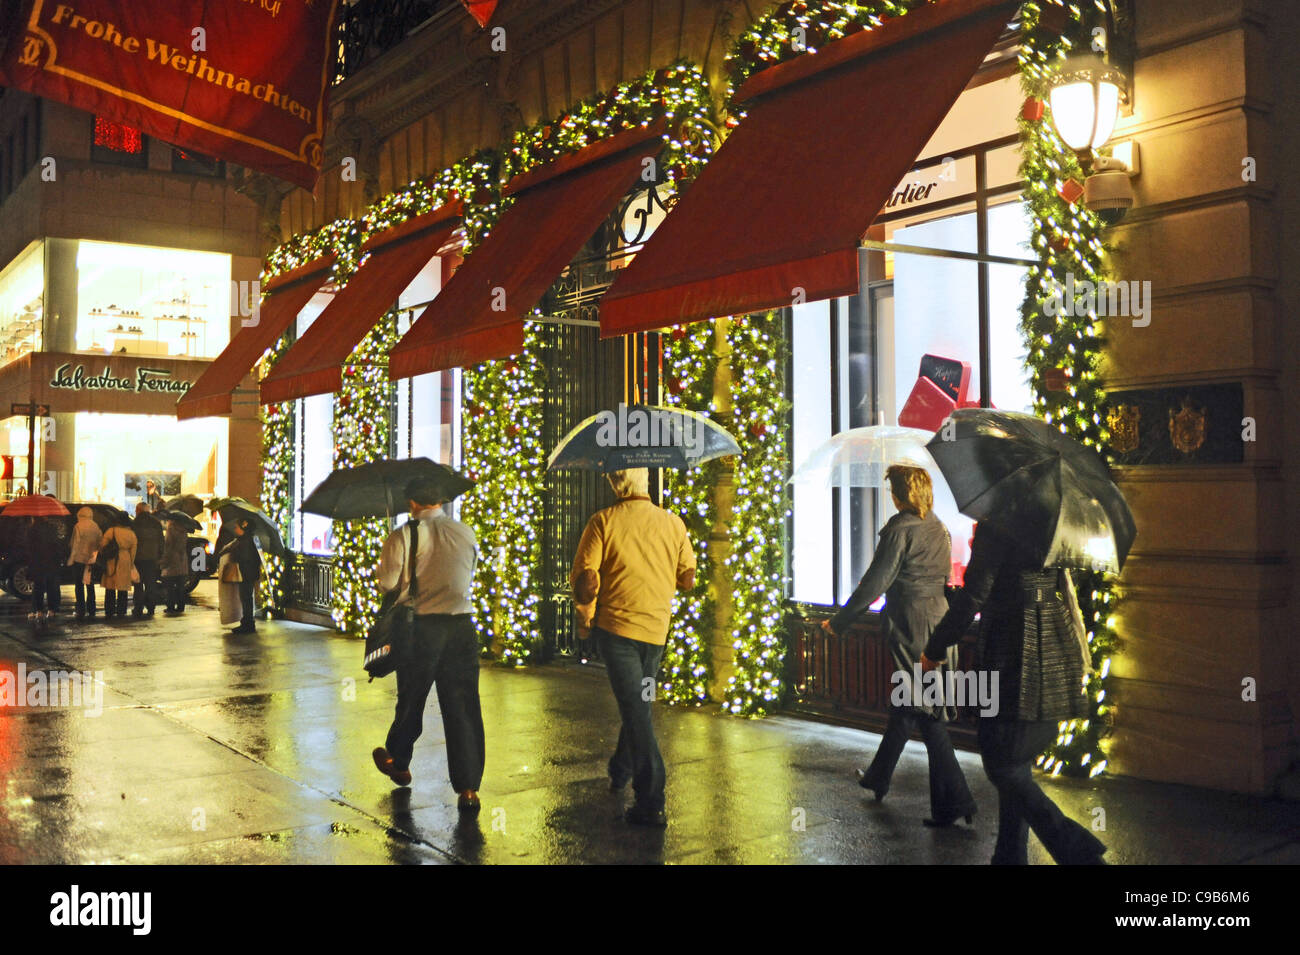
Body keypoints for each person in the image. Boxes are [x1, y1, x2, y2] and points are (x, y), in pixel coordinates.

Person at [922, 522, 1106, 865]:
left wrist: (935, 647)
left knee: (1003, 764)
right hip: (1052, 637)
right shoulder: (1052, 518)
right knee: (1016, 762)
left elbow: (974, 593)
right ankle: (1008, 857)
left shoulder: (1001, 520)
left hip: (1012, 648)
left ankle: (1078, 852)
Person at [822, 464, 976, 827]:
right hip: (940, 622)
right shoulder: (937, 526)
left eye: (892, 490)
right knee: (911, 704)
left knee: (925, 710)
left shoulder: (899, 530)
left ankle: (957, 800)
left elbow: (876, 582)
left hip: (912, 624)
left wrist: (841, 622)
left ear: (901, 495)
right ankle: (879, 779)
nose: (890, 496)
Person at [570, 468, 695, 827]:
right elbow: (687, 578)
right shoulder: (674, 523)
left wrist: (584, 621)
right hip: (656, 633)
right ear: (647, 484)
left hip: (618, 631)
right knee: (640, 703)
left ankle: (651, 798)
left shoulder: (603, 522)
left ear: (615, 484)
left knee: (637, 711)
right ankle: (620, 768)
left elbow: (586, 583)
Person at [371, 479, 484, 813]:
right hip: (462, 627)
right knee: (463, 707)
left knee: (412, 698)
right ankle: (468, 788)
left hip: (421, 627)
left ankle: (398, 760)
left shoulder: (403, 534)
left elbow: (387, 583)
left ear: (411, 502)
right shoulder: (465, 532)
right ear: (441, 499)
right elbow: (469, 573)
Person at [25, 517, 64, 623]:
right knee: (51, 586)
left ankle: (39, 611)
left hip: (37, 562)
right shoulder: (52, 528)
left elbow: (29, 548)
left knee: (38, 587)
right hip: (51, 562)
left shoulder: (31, 530)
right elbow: (57, 546)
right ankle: (51, 610)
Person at [226, 518, 262, 634]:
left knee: (246, 598)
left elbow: (244, 558)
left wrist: (234, 552)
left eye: (237, 527)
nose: (235, 529)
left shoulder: (245, 542)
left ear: (243, 528)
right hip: (249, 573)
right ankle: (247, 622)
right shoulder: (248, 539)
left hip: (247, 573)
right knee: (246, 598)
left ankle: (248, 624)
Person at [99, 516, 138, 619]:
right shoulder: (131, 534)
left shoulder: (111, 531)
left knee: (110, 585)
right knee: (123, 586)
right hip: (125, 558)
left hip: (112, 558)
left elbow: (102, 545)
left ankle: (109, 610)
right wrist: (131, 562)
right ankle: (121, 610)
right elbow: (133, 551)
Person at [68, 506, 101, 620]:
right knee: (89, 583)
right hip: (91, 560)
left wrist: (71, 559)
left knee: (79, 585)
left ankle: (80, 608)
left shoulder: (78, 526)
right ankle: (92, 608)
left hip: (79, 559)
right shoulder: (95, 526)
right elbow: (99, 543)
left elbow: (75, 544)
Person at [131, 502, 163, 618]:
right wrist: (160, 557)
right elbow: (161, 541)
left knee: (138, 584)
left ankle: (138, 607)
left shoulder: (135, 523)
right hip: (152, 558)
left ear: (139, 510)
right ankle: (151, 607)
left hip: (138, 559)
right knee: (151, 584)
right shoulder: (156, 523)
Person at [160, 517, 189, 615]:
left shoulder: (171, 529)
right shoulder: (183, 529)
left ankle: (170, 606)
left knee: (170, 586)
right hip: (182, 559)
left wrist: (164, 560)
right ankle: (181, 606)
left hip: (173, 559)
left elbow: (168, 545)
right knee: (181, 585)